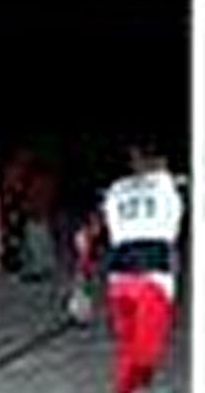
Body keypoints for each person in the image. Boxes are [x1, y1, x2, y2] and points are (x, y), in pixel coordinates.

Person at [77, 145, 185, 393]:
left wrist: (86, 246)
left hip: (120, 275)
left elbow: (93, 226)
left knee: (128, 348)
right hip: (153, 273)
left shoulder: (117, 188)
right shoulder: (167, 182)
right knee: (144, 354)